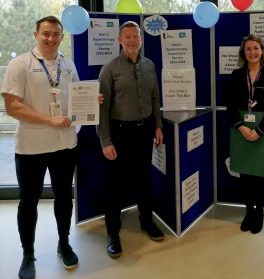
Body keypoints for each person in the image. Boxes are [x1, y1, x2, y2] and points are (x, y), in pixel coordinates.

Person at [1, 16, 101, 279]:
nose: (51, 39)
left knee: (63, 197)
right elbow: (12, 106)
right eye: (46, 34)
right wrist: (49, 119)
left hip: (65, 143)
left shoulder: (68, 65)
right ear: (36, 35)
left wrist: (92, 100)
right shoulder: (19, 64)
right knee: (29, 202)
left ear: (62, 37)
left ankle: (64, 243)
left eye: (56, 34)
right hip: (31, 146)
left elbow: (78, 97)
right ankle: (27, 254)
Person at [97, 21, 164, 258]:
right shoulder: (109, 69)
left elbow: (155, 98)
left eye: (135, 37)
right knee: (114, 185)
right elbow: (101, 111)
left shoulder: (150, 66)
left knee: (144, 180)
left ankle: (147, 221)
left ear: (141, 39)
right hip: (119, 133)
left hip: (144, 130)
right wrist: (105, 140)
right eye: (127, 37)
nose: (132, 41)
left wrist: (157, 125)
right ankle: (113, 233)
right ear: (119, 40)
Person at [227, 34, 264, 234]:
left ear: (262, 51)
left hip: (263, 132)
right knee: (245, 175)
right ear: (243, 52)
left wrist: (258, 131)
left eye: (256, 48)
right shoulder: (235, 75)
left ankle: (259, 213)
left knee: (261, 176)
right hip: (240, 130)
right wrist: (241, 127)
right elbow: (231, 106)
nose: (252, 52)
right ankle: (249, 212)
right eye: (248, 49)